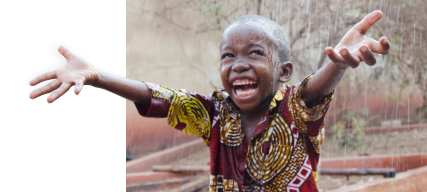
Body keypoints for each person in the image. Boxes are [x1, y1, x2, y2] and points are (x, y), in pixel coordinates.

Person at [29, 10, 389, 192]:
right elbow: (160, 97)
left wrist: (337, 63)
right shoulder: (215, 113)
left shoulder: (296, 108)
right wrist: (96, 76)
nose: (239, 64)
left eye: (255, 53)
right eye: (228, 56)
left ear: (283, 71)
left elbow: (315, 90)